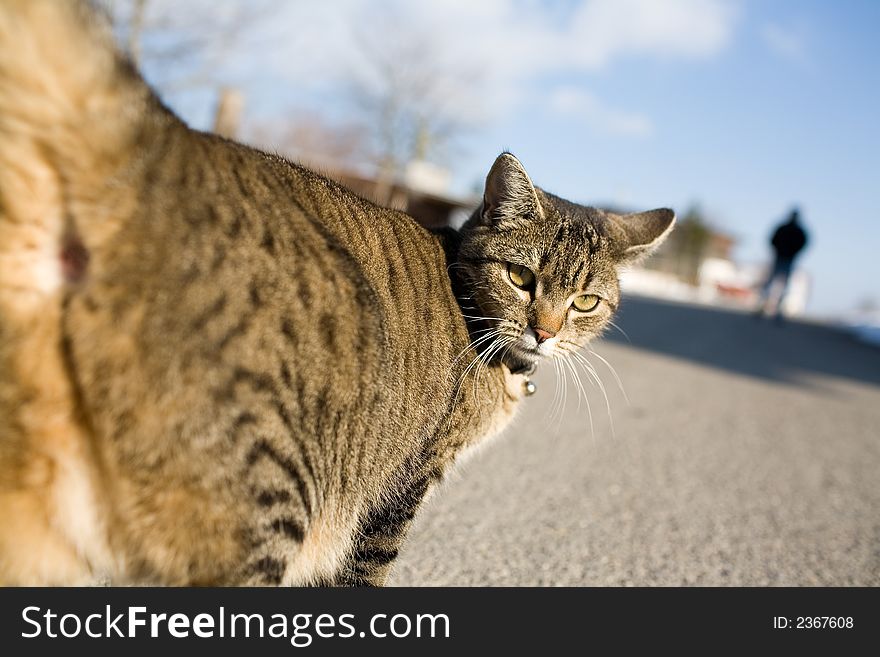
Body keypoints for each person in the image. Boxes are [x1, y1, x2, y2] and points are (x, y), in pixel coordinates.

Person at [756, 208, 809, 319]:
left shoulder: (797, 231)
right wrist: (777, 250)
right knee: (772, 283)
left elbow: (803, 243)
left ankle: (777, 310)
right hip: (779, 258)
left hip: (788, 259)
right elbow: (773, 239)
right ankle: (762, 306)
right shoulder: (786, 228)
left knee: (782, 286)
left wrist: (792, 253)